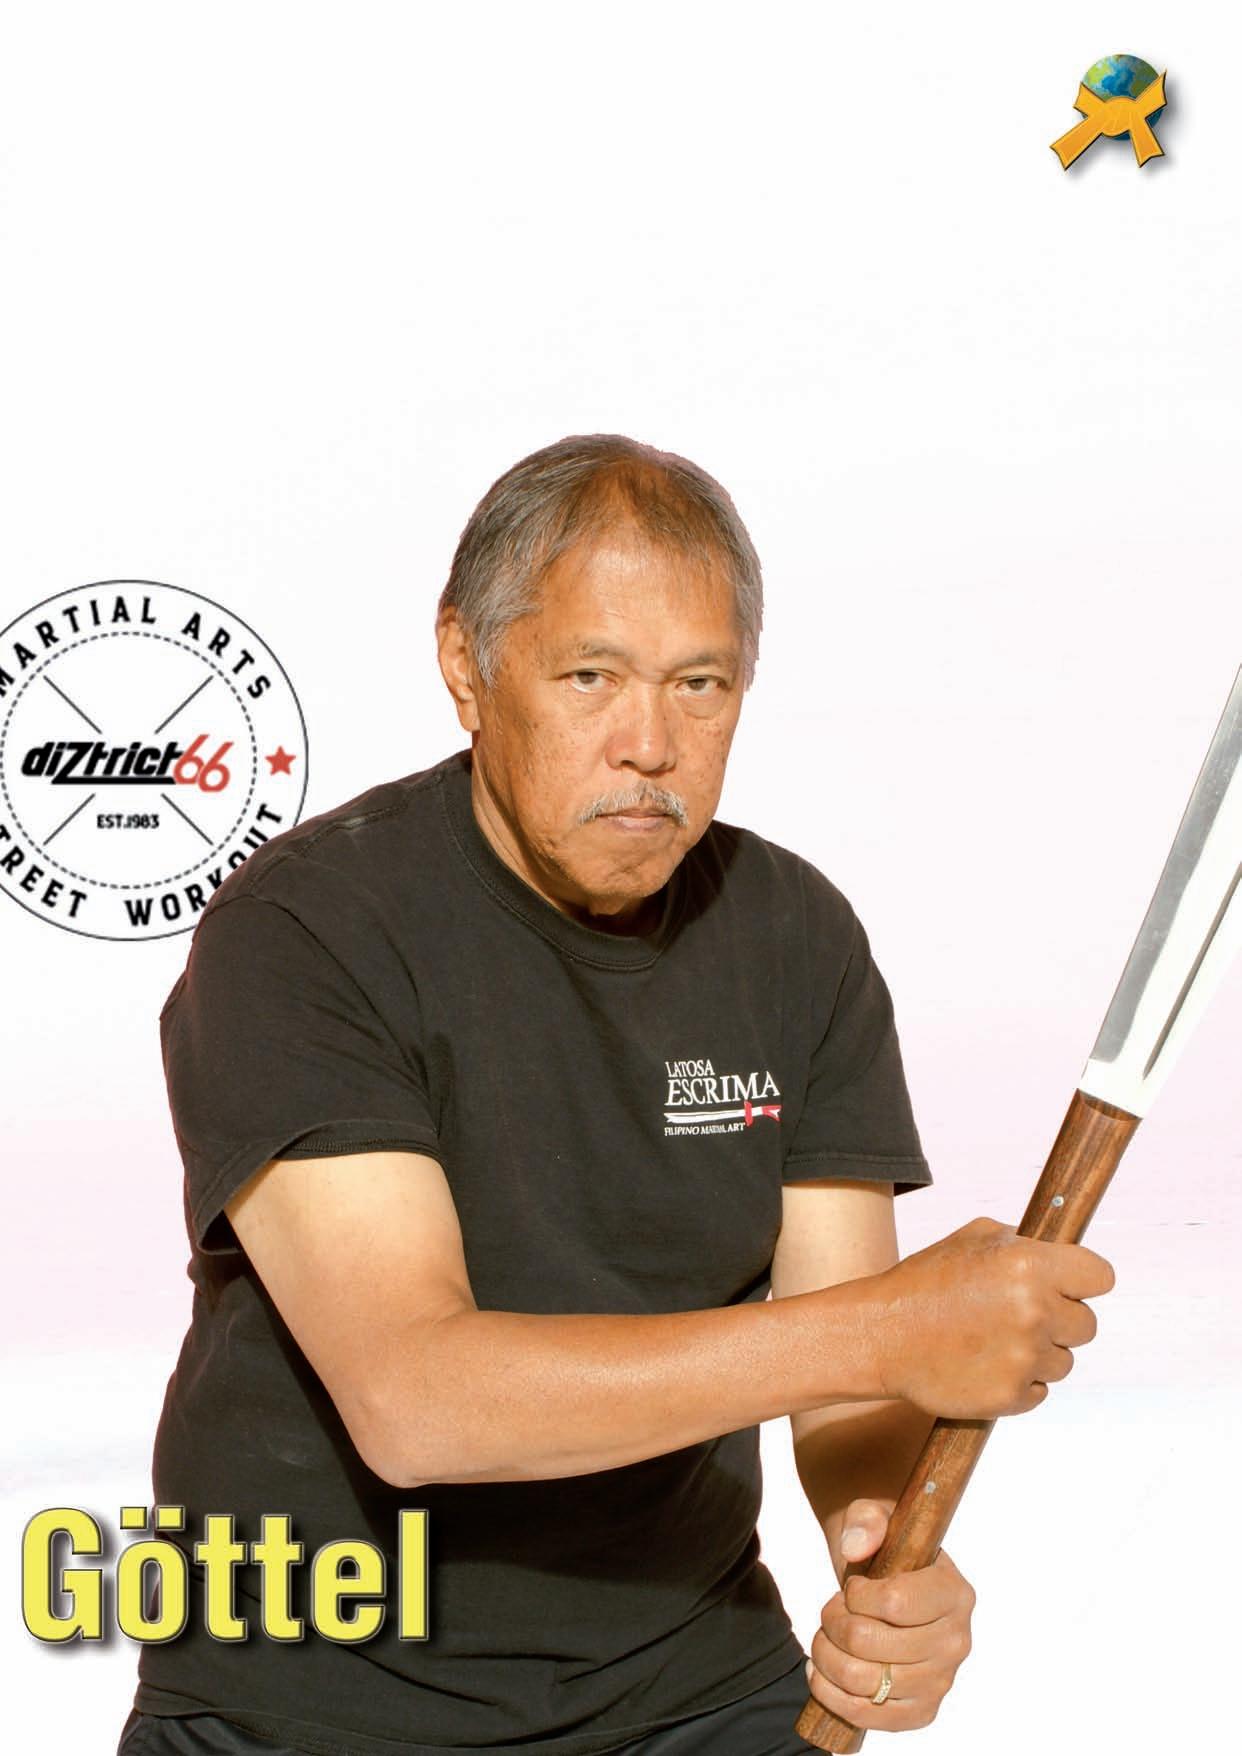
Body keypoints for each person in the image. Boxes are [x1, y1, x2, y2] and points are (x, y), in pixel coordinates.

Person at [118, 435, 1114, 1756]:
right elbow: (416, 1403)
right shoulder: (306, 929)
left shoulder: (792, 935)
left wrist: (882, 1549)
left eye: (699, 685)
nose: (649, 746)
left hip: (693, 1686)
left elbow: (842, 1384)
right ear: (466, 665)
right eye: (590, 676)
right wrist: (894, 1330)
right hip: (309, 1701)